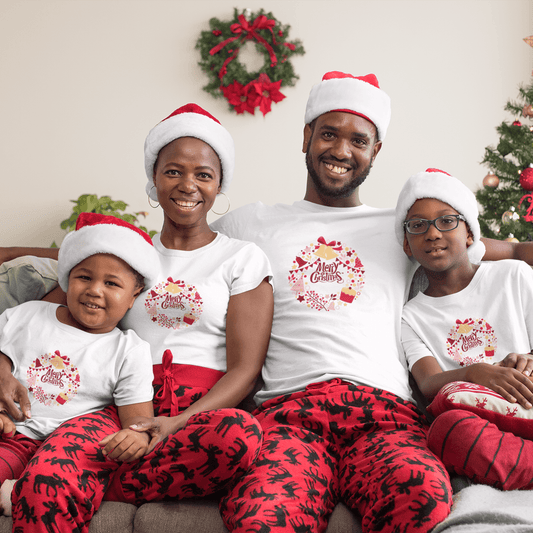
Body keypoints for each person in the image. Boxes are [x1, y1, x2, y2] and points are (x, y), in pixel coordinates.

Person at [210, 71, 533, 533]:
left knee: (422, 494)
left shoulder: (409, 229)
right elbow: (160, 256)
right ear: (306, 136)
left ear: (375, 151)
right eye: (328, 134)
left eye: (358, 140)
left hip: (386, 418)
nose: (341, 151)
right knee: (262, 514)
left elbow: (516, 251)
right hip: (289, 416)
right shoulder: (251, 224)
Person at [0, 103, 274, 533]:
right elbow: (57, 309)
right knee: (54, 474)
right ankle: (56, 481)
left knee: (238, 436)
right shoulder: (125, 252)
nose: (188, 185)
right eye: (173, 171)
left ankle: (83, 483)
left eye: (203, 174)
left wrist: (175, 423)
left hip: (197, 414)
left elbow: (245, 369)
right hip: (117, 407)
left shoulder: (240, 258)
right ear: (154, 178)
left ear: (220, 184)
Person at [0, 212, 158, 514]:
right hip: (12, 438)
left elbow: (137, 422)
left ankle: (20, 491)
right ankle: (14, 489)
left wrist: (136, 436)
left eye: (112, 283)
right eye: (84, 277)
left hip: (66, 451)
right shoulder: (26, 316)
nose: (94, 290)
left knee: (47, 484)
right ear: (67, 278)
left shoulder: (128, 350)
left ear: (133, 296)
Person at [396, 167, 533, 490]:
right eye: (418, 226)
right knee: (447, 430)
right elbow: (429, 382)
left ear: (469, 233)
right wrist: (475, 373)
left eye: (447, 221)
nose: (432, 234)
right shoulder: (410, 317)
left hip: (527, 396)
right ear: (406, 245)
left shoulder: (512, 276)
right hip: (482, 420)